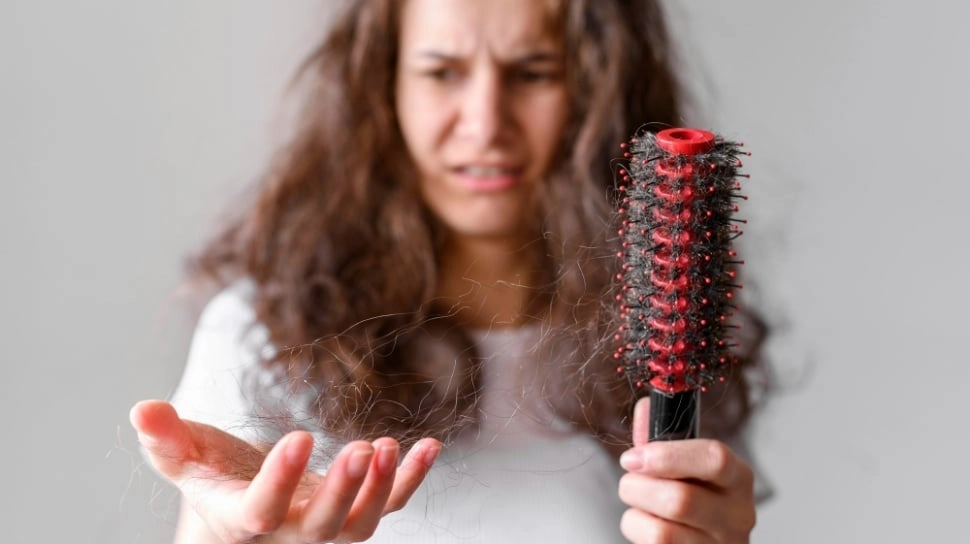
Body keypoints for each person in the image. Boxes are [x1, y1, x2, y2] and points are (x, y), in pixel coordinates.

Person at [130, 0, 767, 542]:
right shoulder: (261, 335)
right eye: (441, 72)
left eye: (533, 72)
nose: (486, 124)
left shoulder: (671, 332)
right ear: (386, 89)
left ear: (597, 89)